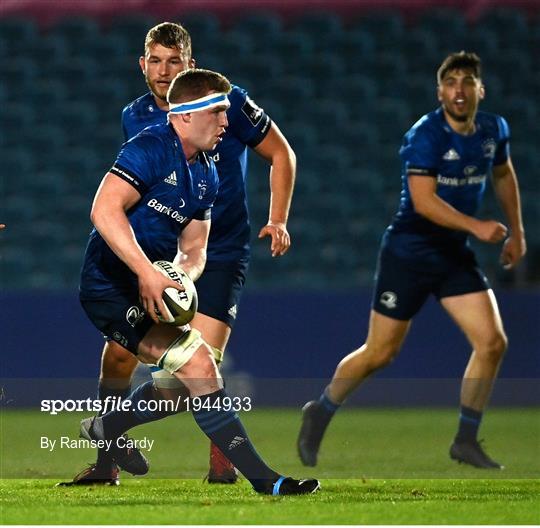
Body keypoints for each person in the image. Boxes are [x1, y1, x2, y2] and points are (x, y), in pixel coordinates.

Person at [61, 22, 295, 486]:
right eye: (156, 60)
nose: (165, 70)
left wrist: (279, 217)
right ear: (142, 64)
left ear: (191, 64)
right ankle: (107, 460)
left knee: (195, 368)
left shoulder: (224, 105)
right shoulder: (139, 122)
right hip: (152, 258)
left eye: (175, 61)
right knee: (122, 359)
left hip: (218, 251)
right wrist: (149, 267)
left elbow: (281, 154)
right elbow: (121, 201)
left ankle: (222, 470)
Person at [297, 51, 526, 470]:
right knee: (380, 353)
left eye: (467, 81)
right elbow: (423, 202)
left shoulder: (494, 129)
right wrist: (477, 227)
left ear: (480, 89)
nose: (459, 90)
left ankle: (466, 439)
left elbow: (503, 173)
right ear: (440, 92)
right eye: (451, 82)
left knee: (493, 342)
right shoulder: (426, 135)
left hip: (453, 255)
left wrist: (518, 231)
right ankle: (322, 409)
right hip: (409, 252)